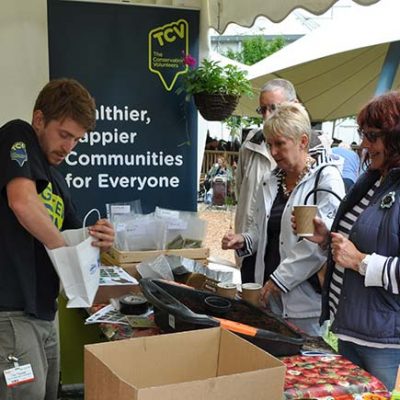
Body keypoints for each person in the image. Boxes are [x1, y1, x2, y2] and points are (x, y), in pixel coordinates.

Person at [0, 78, 115, 399]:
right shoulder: (17, 135)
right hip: (10, 313)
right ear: (40, 120)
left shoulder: (57, 181)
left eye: (77, 140)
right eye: (64, 135)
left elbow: (78, 237)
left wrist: (100, 238)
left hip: (43, 312)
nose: (69, 147)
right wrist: (64, 247)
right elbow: (21, 202)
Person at [222, 102, 345, 336]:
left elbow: (315, 246)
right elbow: (261, 231)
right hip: (269, 294)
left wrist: (279, 279)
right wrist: (244, 240)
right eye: (270, 145)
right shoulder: (270, 181)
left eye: (280, 144)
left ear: (303, 141)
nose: (274, 152)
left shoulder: (325, 180)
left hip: (303, 303)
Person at [306, 91, 400, 390]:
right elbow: (361, 239)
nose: (364, 144)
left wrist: (360, 262)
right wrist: (327, 240)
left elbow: (360, 255)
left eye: (372, 136)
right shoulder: (374, 178)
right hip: (351, 326)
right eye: (363, 135)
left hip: (383, 339)